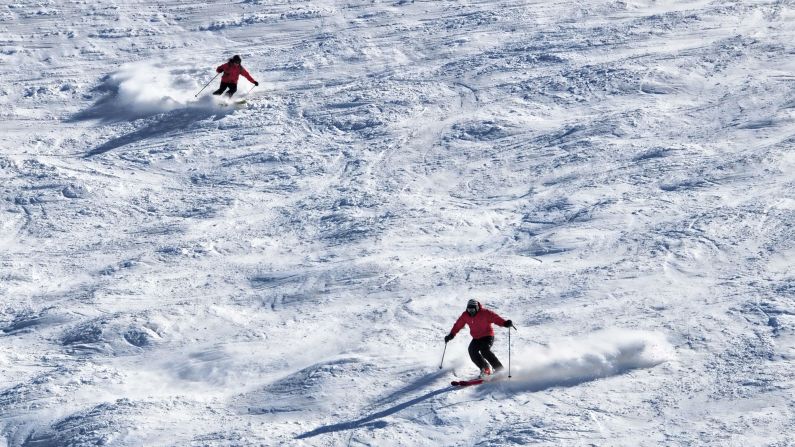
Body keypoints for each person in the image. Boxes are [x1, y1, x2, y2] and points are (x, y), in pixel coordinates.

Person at [445, 299, 513, 377]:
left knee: (484, 350)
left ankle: (499, 369)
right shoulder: (465, 315)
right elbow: (458, 325)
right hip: (476, 338)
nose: (471, 311)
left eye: (472, 309)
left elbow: (496, 318)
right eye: (469, 309)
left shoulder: (485, 313)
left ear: (477, 308)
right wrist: (451, 335)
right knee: (472, 351)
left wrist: (505, 323)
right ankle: (485, 368)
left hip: (487, 336)